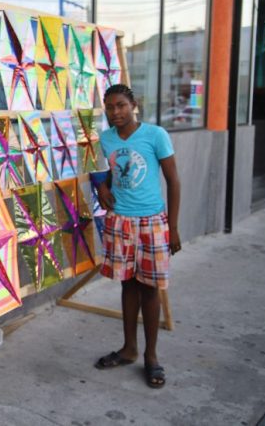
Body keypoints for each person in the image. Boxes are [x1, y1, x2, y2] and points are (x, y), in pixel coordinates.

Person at [94, 84, 181, 389]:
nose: (115, 112)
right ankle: (129, 348)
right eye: (109, 107)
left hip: (152, 222)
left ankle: (151, 356)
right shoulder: (106, 139)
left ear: (133, 105)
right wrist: (102, 187)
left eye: (120, 105)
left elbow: (173, 181)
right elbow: (109, 172)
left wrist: (174, 227)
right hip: (119, 221)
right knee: (128, 285)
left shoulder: (156, 135)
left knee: (151, 288)